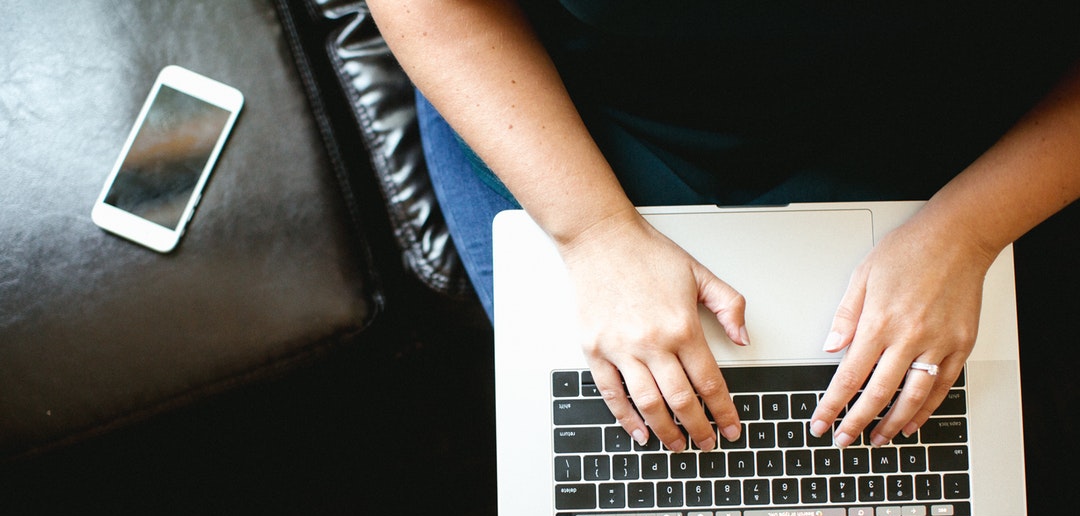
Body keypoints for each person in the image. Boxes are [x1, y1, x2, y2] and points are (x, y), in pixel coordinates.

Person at [368, 1, 1080, 452]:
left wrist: (968, 233)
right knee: (633, 472)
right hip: (558, 101)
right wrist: (593, 232)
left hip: (930, 106)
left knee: (892, 471)